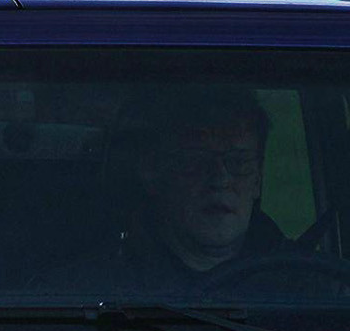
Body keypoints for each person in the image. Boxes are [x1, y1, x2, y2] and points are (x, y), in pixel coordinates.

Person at [109, 87, 293, 287]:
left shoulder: (305, 284)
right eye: (196, 160)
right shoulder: (100, 287)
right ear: (154, 174)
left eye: (239, 162)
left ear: (258, 179)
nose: (220, 180)